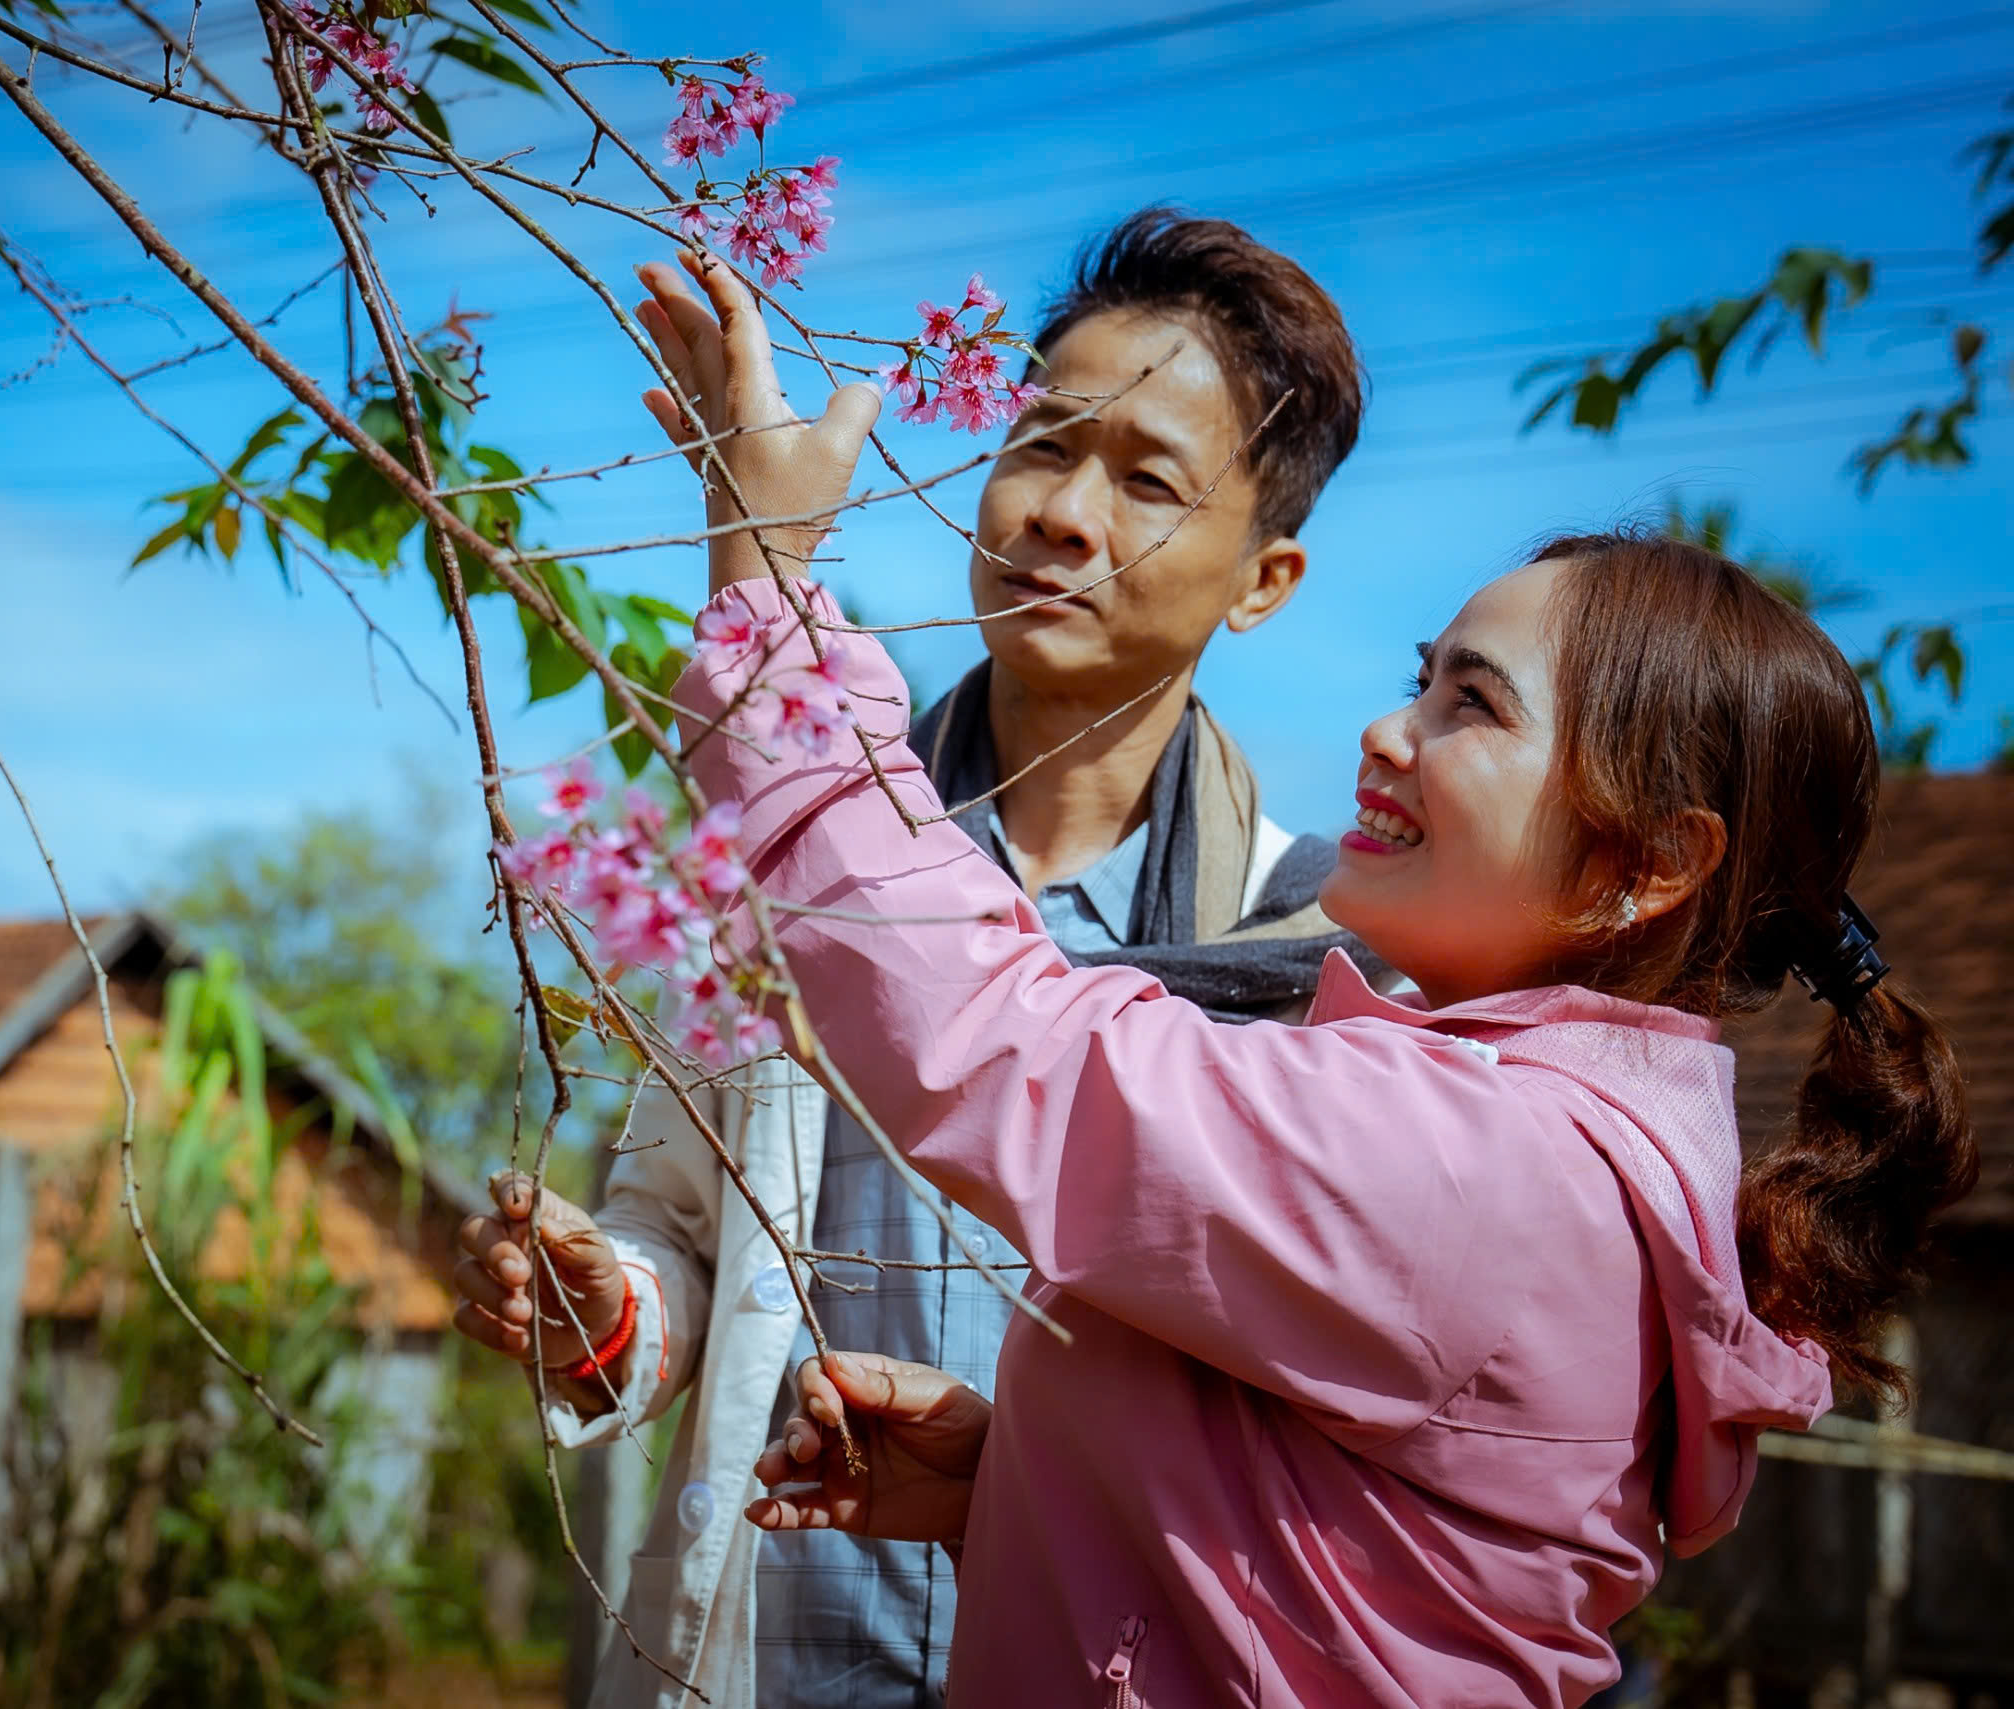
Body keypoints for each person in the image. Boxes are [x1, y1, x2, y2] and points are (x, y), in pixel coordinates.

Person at [626, 249, 1978, 1706]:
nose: (1389, 734)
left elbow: (1000, 1038)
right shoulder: (1531, 1126)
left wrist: (768, 592)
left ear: (1641, 865)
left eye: (1475, 705)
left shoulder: (1491, 1164)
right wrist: (1032, 1478)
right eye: (1421, 674)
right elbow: (1333, 1574)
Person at [450, 208, 1375, 1706]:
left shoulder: (1313, 959)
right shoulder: (791, 869)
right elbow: (685, 1223)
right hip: (779, 1663)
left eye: (1147, 478)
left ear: (1264, 580)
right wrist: (604, 1308)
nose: (1061, 513)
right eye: (1040, 444)